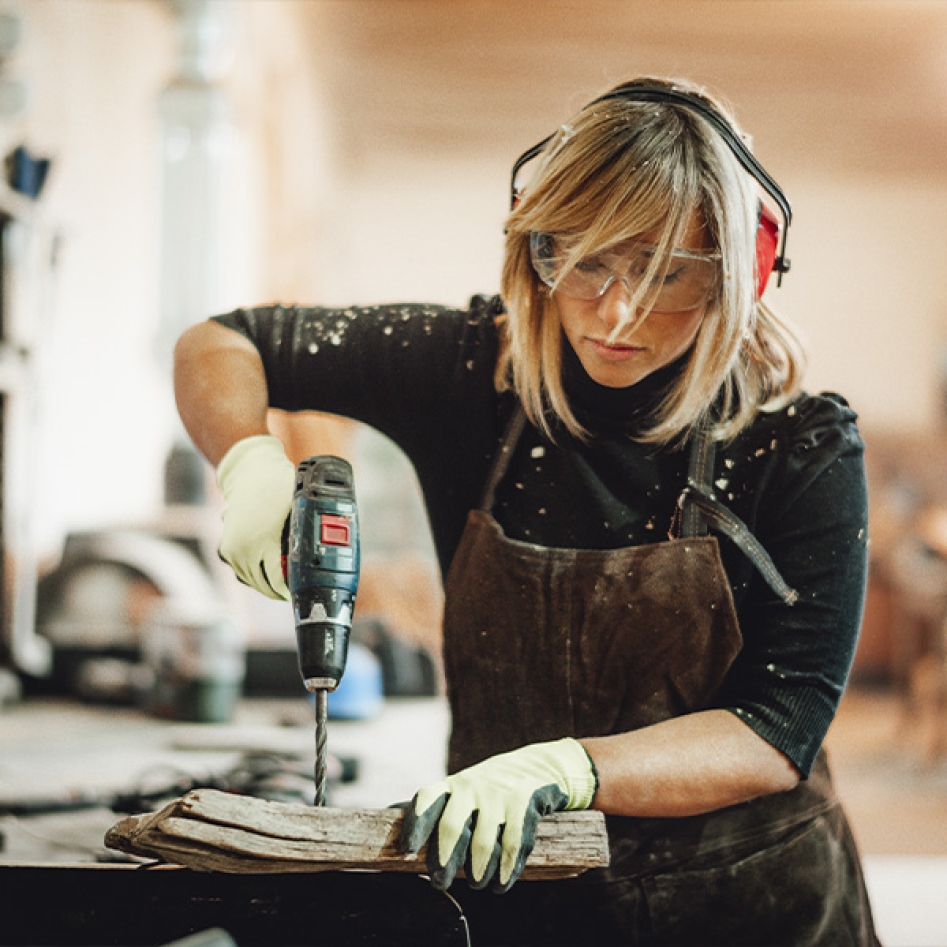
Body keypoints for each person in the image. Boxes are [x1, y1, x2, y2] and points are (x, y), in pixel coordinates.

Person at [173, 77, 879, 945]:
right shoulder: (471, 370)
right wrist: (246, 459)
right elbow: (221, 340)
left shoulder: (796, 441)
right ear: (534, 249)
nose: (617, 313)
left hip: (747, 904)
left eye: (669, 276)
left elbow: (779, 726)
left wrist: (567, 766)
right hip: (512, 893)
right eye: (584, 261)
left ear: (741, 273)